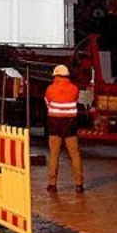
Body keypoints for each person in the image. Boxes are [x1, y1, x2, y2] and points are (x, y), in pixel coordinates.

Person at [44, 64, 84, 193]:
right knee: (74, 154)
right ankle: (79, 184)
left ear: (56, 76)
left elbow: (47, 103)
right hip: (70, 124)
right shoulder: (74, 89)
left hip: (54, 124)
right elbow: (76, 101)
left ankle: (52, 184)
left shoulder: (50, 89)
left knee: (54, 154)